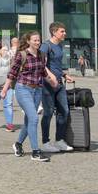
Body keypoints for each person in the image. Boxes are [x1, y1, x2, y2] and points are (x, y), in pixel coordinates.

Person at [1, 30, 59, 162]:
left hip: (37, 90)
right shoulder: (22, 55)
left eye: (39, 40)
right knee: (34, 118)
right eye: (35, 40)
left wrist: (51, 80)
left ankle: (18, 144)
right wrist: (4, 90)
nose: (37, 42)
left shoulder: (41, 54)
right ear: (28, 41)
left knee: (29, 121)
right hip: (23, 90)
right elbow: (12, 73)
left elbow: (42, 71)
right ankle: (35, 152)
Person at [39, 22, 73, 153]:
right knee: (47, 113)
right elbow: (42, 64)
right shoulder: (45, 46)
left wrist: (64, 74)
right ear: (54, 32)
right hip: (47, 84)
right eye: (62, 31)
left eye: (64, 31)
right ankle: (45, 142)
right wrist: (50, 76)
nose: (64, 33)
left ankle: (59, 140)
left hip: (59, 83)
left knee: (64, 111)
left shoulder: (59, 46)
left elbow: (57, 65)